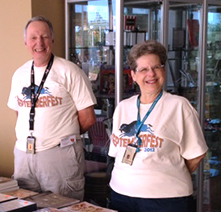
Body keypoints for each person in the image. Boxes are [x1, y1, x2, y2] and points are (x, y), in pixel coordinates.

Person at [107, 40, 208, 212]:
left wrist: (169, 174)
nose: (151, 74)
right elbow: (117, 153)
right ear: (133, 75)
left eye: (156, 67)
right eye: (144, 69)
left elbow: (196, 155)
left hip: (167, 201)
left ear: (163, 70)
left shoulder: (179, 106)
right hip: (121, 195)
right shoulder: (123, 107)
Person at [7, 16, 97, 201]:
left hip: (60, 157)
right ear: (25, 42)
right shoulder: (20, 74)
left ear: (52, 40)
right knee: (25, 204)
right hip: (24, 155)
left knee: (63, 205)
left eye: (44, 37)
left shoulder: (70, 71)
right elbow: (20, 112)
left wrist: (60, 135)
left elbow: (88, 118)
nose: (39, 43)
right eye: (33, 38)